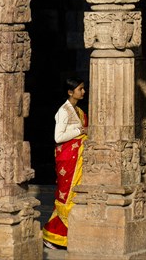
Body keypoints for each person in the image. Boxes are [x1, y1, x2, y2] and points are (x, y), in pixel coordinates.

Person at [42, 77, 88, 250]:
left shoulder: (79, 111)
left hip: (76, 160)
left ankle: (60, 236)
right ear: (70, 92)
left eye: (83, 89)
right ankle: (57, 238)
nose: (83, 92)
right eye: (80, 89)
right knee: (66, 198)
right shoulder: (64, 111)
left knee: (75, 197)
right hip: (67, 161)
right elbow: (58, 137)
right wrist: (81, 130)